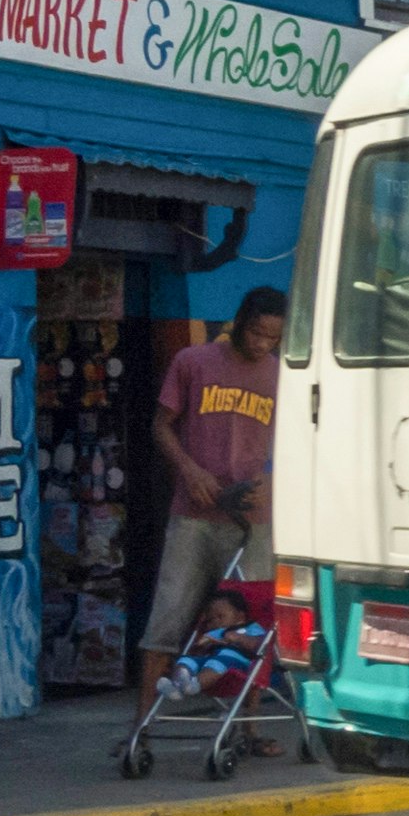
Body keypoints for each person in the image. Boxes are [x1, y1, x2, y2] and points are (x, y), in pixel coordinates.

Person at [135, 287, 285, 721]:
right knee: (167, 619)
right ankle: (141, 727)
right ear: (239, 322)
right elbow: (161, 426)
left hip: (252, 518)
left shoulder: (279, 375)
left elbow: (292, 442)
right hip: (194, 514)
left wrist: (271, 479)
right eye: (257, 333)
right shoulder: (193, 362)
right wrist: (189, 469)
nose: (262, 344)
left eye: (272, 338)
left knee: (252, 625)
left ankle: (249, 727)